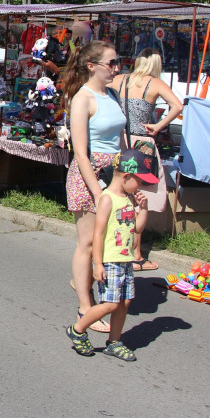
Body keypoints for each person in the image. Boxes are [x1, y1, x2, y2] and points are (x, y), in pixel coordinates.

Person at [66, 148, 154, 361]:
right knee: (111, 304)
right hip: (110, 261)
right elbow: (98, 233)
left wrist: (143, 209)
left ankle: (114, 342)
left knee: (124, 303)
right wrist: (98, 263)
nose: (141, 186)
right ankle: (78, 329)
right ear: (126, 176)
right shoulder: (107, 199)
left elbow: (137, 229)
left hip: (125, 260)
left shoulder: (129, 199)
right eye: (139, 181)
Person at [64, 40, 127, 334]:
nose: (116, 68)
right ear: (92, 66)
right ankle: (85, 306)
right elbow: (80, 152)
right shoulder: (82, 99)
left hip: (114, 175)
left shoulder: (113, 94)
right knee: (88, 243)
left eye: (117, 62)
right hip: (90, 176)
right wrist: (99, 192)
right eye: (111, 63)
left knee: (107, 243)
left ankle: (96, 292)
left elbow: (120, 139)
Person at [110, 47, 183, 270]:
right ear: (155, 64)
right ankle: (138, 255)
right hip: (143, 143)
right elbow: (178, 106)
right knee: (142, 197)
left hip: (120, 140)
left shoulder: (119, 79)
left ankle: (118, 248)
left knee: (120, 194)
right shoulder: (154, 83)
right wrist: (159, 126)